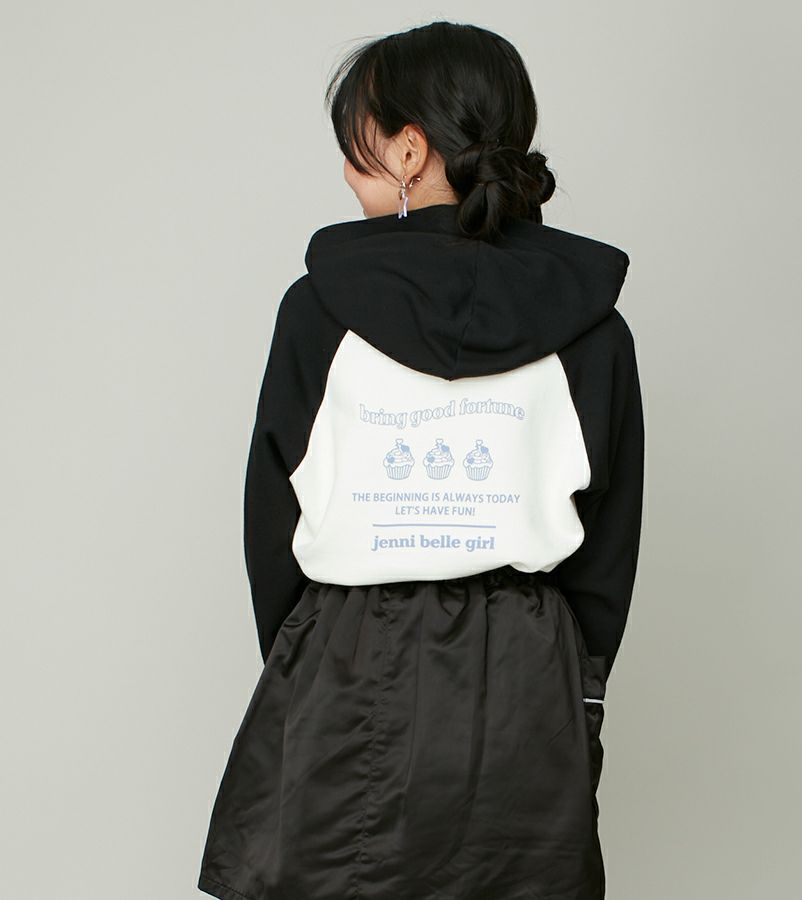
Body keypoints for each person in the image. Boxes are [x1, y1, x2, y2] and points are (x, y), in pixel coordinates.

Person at [197, 19, 644, 900]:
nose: (345, 167)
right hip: (526, 666)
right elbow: (608, 541)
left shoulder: (318, 311)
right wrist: (580, 689)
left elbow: (273, 513)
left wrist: (305, 655)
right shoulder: (593, 326)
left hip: (348, 651)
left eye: (356, 143)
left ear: (409, 151)